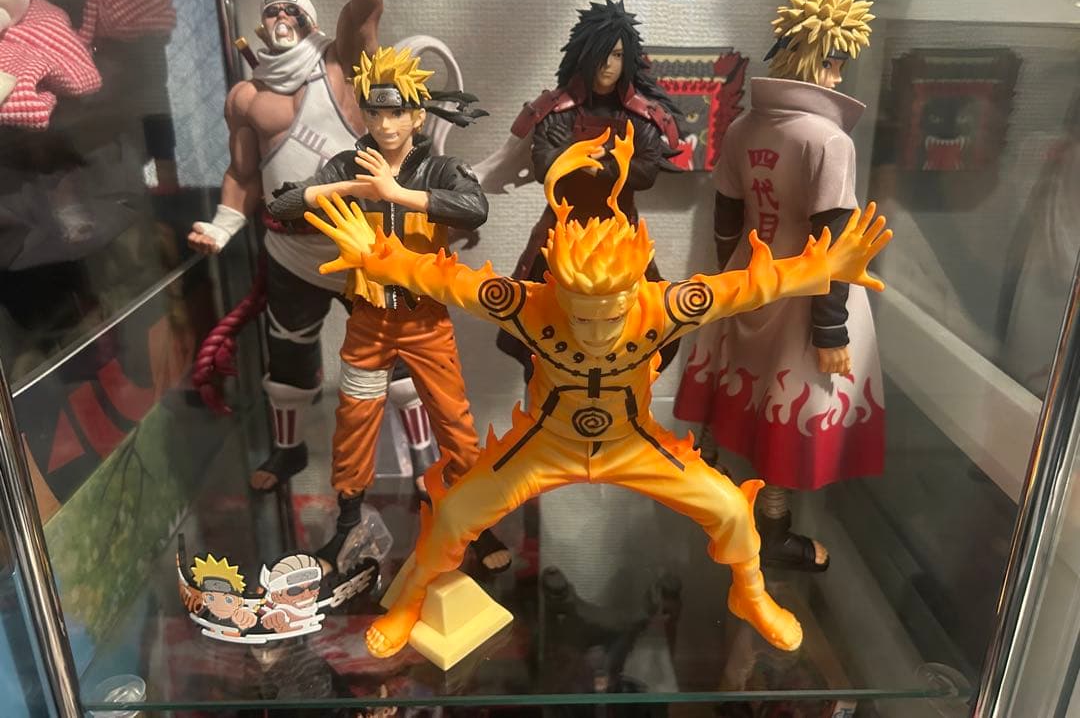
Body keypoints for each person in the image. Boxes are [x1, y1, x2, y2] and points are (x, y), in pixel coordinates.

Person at [303, 121, 892, 659]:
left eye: (608, 315)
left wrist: (826, 267)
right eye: (580, 313)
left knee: (733, 510)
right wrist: (375, 257)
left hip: (634, 445)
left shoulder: (665, 305)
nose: (593, 330)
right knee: (455, 511)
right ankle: (410, 599)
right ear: (557, 287)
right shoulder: (529, 304)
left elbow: (750, 285)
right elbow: (446, 280)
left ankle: (751, 592)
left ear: (634, 290)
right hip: (543, 447)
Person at [185, 0, 437, 492]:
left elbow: (365, 10)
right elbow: (243, 174)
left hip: (363, 245)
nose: (280, 19)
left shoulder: (340, 67)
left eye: (291, 12)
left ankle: (425, 456)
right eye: (272, 12)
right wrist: (223, 225)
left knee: (396, 354)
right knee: (290, 355)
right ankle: (288, 453)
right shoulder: (247, 96)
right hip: (290, 252)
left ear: (310, 23)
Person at [268, 45, 509, 573]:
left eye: (397, 112)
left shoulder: (439, 168)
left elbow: (475, 208)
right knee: (355, 421)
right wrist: (349, 186)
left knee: (453, 421)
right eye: (375, 113)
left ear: (418, 115)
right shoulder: (346, 164)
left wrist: (396, 193)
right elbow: (281, 206)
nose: (385, 124)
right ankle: (347, 523)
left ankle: (475, 521)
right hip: (369, 322)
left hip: (425, 322)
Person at [674, 0, 883, 573]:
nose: (838, 76)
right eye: (833, 62)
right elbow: (835, 239)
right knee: (788, 407)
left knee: (740, 390)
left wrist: (729, 279)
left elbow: (725, 215)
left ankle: (717, 506)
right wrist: (831, 328)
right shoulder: (829, 140)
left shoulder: (744, 128)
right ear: (811, 58)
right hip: (806, 288)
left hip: (749, 274)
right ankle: (770, 533)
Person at [476, 0, 684, 380]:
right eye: (601, 53)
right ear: (584, 55)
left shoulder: (642, 116)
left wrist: (593, 164)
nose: (607, 65)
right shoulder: (556, 110)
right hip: (559, 233)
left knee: (646, 322)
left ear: (628, 58)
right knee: (537, 330)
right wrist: (597, 161)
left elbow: (646, 172)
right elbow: (545, 165)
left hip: (620, 235)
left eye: (617, 55)